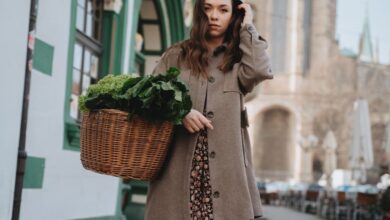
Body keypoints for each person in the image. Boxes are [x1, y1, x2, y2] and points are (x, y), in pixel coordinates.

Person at [145, 0, 273, 219]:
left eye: (223, 10)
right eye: (208, 8)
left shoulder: (239, 61)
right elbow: (150, 97)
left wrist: (248, 26)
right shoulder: (176, 56)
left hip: (225, 177)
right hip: (177, 176)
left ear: (234, 15)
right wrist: (180, 112)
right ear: (199, 11)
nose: (214, 16)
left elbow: (259, 71)